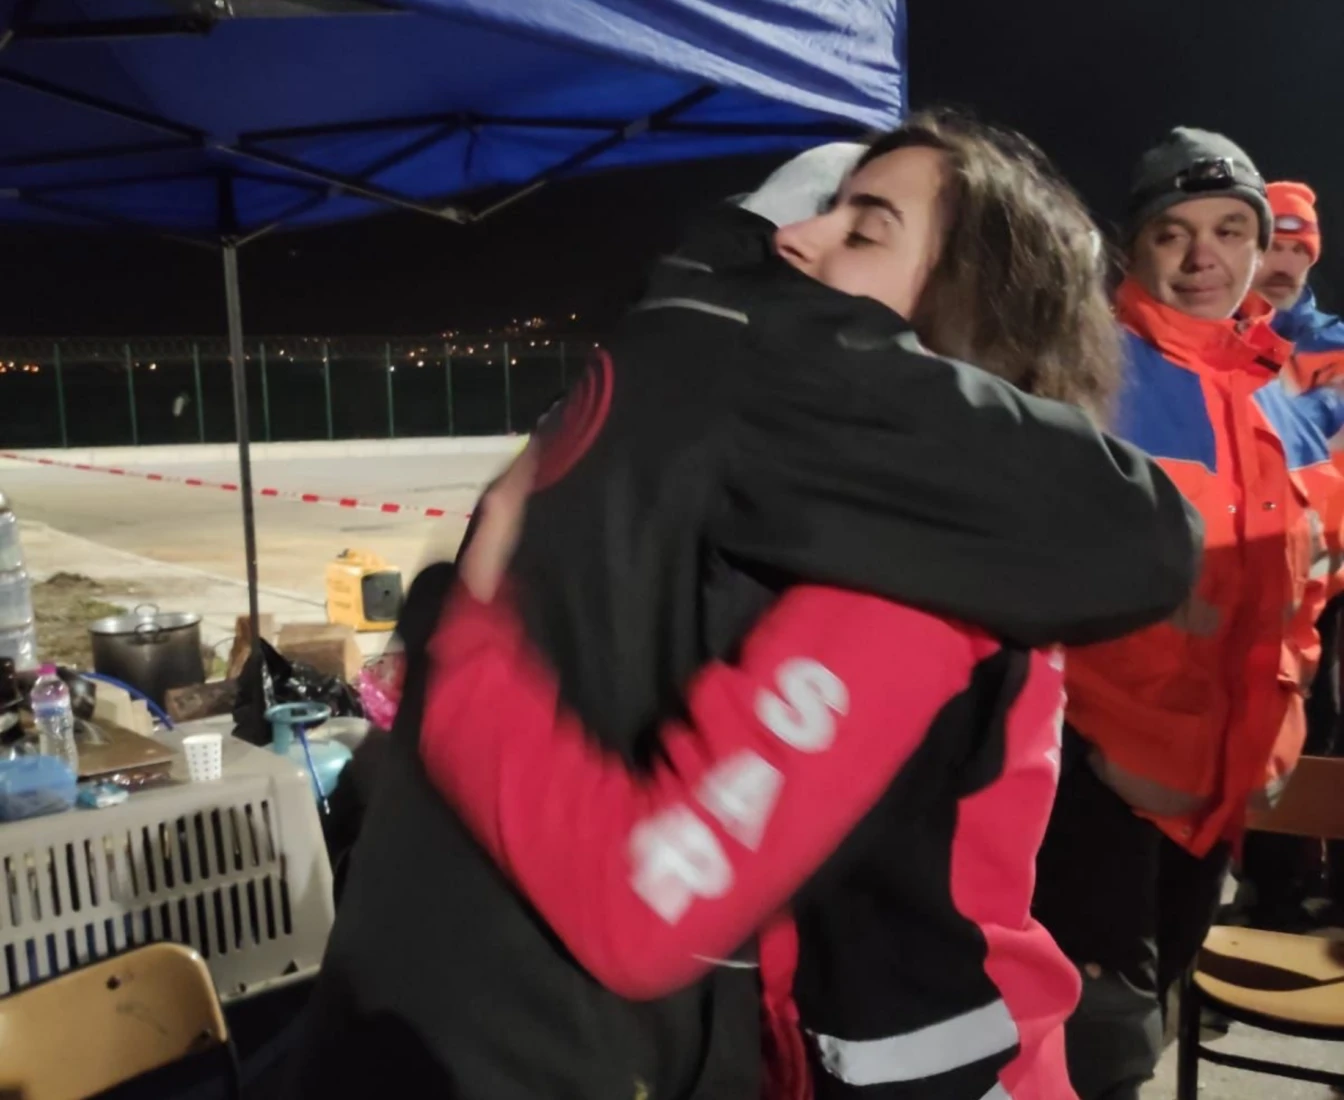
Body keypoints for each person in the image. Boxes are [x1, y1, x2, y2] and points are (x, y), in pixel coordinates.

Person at [288, 113, 1199, 1100]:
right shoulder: (883, 521)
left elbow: (644, 902)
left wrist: (459, 640)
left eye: (864, 228)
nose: (795, 240)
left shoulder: (915, 577)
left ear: (972, 304)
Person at [1032, 128, 1337, 1099]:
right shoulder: (1079, 372)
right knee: (1098, 1043)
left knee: (1152, 1008)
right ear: (1136, 246)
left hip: (1223, 784)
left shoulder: (1281, 388)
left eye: (1229, 228)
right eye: (1175, 232)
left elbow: (1308, 568)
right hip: (1095, 775)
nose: (1204, 256)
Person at [1238, 181, 1344, 929]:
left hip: (1328, 578)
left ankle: (1328, 898)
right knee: (1260, 725)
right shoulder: (1215, 335)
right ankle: (1267, 895)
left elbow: (1322, 457)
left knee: (1330, 728)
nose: (1284, 261)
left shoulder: (1334, 344)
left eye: (1298, 248)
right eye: (1272, 244)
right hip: (1241, 568)